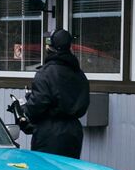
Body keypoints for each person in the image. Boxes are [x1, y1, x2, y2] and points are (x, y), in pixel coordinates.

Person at [20, 28, 90, 158]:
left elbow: (37, 105)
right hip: (73, 132)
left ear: (51, 47)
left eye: (47, 42)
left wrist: (24, 108)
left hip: (49, 133)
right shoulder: (79, 74)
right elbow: (83, 103)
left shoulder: (45, 73)